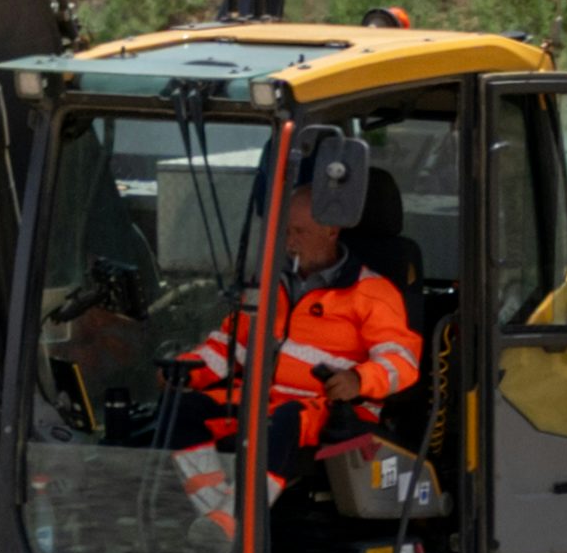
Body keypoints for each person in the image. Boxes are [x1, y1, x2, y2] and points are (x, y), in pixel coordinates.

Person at [177, 121, 430, 513]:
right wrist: (186, 370)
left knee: (282, 423)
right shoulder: (270, 285)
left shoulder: (372, 291)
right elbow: (232, 345)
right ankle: (212, 509)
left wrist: (357, 379)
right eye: (283, 231)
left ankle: (240, 521)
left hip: (328, 409)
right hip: (263, 398)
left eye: (297, 231)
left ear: (331, 230)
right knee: (183, 409)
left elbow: (402, 361)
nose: (288, 241)